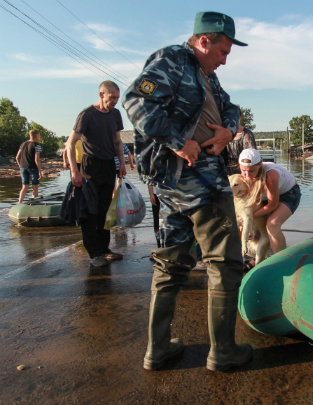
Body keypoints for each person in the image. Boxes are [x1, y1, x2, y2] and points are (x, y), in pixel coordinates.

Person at [122, 11, 252, 372]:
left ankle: (159, 349)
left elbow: (231, 107)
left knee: (172, 264)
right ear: (204, 41)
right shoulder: (173, 60)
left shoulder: (206, 75)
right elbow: (135, 101)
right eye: (223, 50)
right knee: (224, 263)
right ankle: (223, 351)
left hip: (176, 187)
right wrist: (181, 142)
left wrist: (227, 130)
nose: (225, 59)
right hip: (197, 183)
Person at [65, 80, 126, 268]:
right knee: (90, 211)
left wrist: (122, 163)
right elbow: (70, 143)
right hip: (89, 167)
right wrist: (74, 171)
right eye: (112, 97)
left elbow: (117, 141)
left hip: (109, 165)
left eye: (117, 97)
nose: (115, 101)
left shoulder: (116, 114)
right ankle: (94, 253)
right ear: (101, 94)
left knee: (106, 210)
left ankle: (104, 249)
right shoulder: (87, 115)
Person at [238, 148, 301, 255]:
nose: (247, 176)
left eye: (251, 171)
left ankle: (280, 260)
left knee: (272, 224)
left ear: (260, 164)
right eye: (243, 171)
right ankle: (252, 256)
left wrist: (250, 216)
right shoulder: (242, 176)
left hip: (288, 194)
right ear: (239, 166)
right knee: (242, 223)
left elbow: (272, 205)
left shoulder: (270, 175)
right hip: (266, 197)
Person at [16, 129, 42, 204]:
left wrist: (20, 166)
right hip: (33, 167)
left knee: (24, 187)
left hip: (23, 167)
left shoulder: (23, 144)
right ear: (36, 136)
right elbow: (37, 159)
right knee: (35, 187)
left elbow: (17, 157)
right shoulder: (37, 145)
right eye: (39, 136)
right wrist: (40, 171)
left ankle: (19, 203)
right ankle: (35, 203)